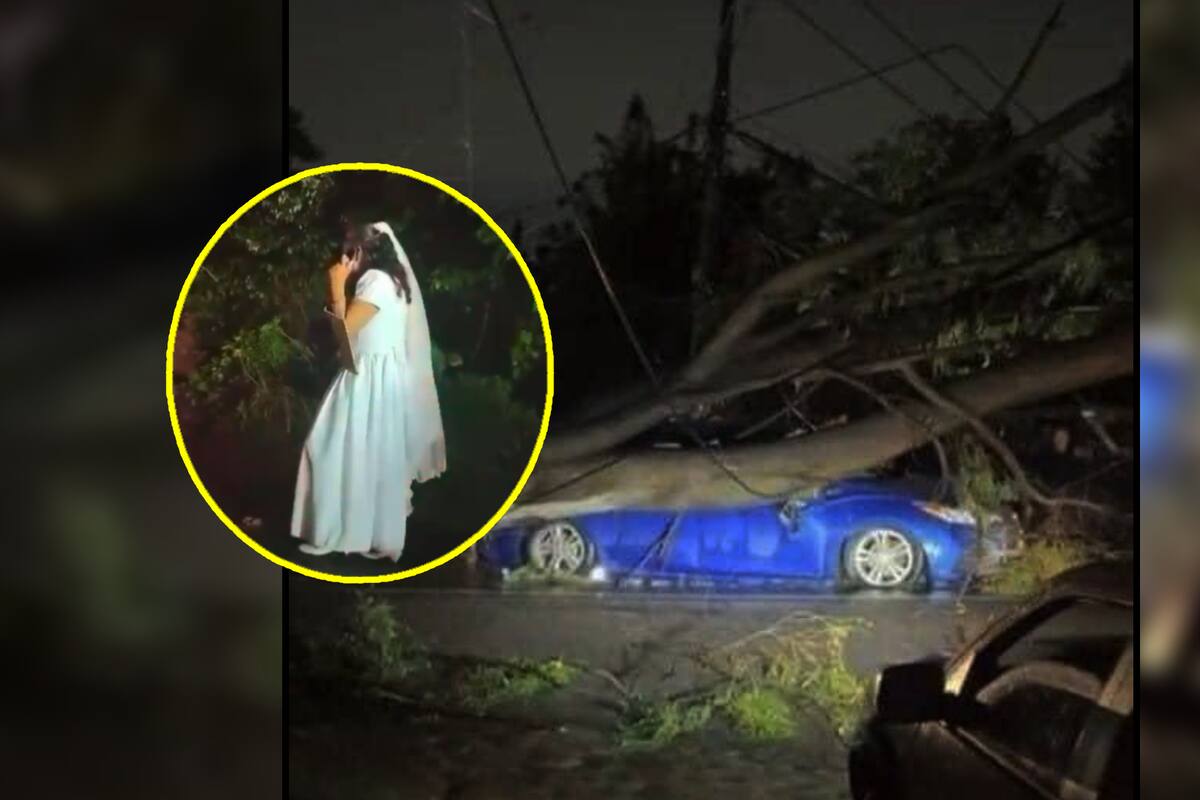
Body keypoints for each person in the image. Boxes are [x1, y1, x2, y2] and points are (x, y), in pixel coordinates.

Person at [290, 221, 446, 561]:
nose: (344, 258)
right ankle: (369, 535)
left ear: (360, 251)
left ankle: (335, 534)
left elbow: (345, 332)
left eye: (349, 251)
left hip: (368, 377)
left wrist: (336, 285)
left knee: (330, 447)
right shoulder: (395, 282)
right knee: (370, 455)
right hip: (384, 375)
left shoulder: (374, 281)